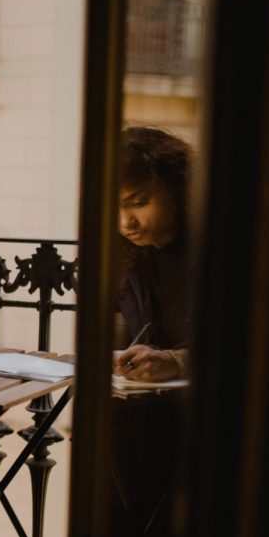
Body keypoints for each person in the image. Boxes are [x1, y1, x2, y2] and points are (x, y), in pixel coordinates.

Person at [111, 126, 193, 382]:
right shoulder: (129, 257)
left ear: (176, 191)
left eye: (138, 203)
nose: (126, 223)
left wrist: (176, 361)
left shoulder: (216, 251)